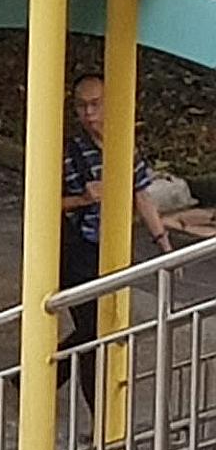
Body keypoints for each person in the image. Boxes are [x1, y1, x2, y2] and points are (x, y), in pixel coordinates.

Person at [58, 71, 175, 409]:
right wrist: (83, 197)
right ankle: (100, 414)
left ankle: (44, 376)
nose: (89, 114)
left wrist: (163, 243)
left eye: (95, 104)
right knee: (92, 330)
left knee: (102, 328)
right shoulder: (71, 152)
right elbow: (43, 204)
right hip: (78, 250)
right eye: (81, 106)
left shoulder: (124, 144)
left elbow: (142, 194)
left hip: (111, 250)